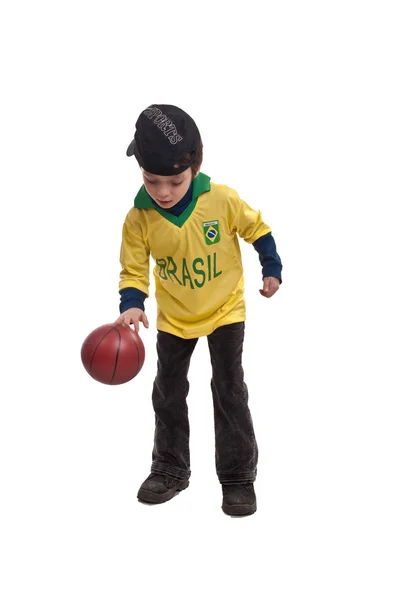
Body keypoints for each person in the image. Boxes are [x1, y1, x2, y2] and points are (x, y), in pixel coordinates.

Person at [115, 104, 282, 517]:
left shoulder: (221, 200)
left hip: (225, 309)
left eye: (175, 180)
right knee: (168, 393)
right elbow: (133, 269)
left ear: (195, 165)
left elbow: (257, 228)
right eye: (153, 180)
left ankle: (238, 476)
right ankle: (170, 469)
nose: (164, 191)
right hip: (175, 317)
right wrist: (132, 305)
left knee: (229, 389)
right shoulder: (139, 218)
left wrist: (271, 268)